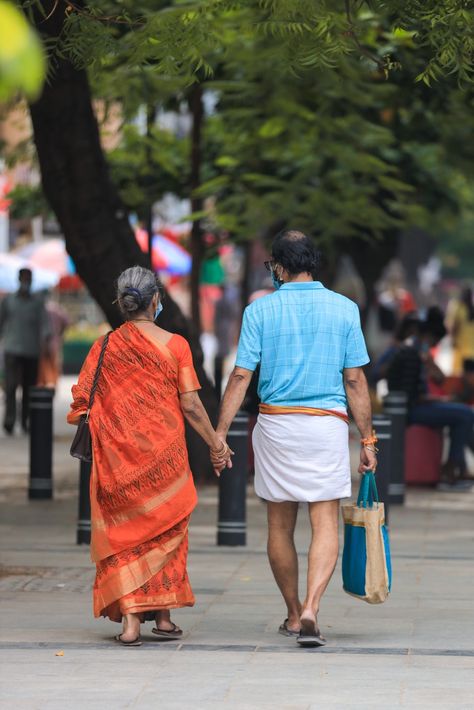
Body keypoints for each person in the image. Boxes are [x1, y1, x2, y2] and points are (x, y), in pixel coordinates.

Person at [214, 230, 376, 648]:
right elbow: (355, 380)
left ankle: (290, 612)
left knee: (279, 524)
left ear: (280, 268)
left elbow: (240, 376)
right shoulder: (345, 309)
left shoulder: (260, 312)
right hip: (326, 426)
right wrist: (369, 440)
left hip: (277, 426)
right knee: (324, 521)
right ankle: (312, 608)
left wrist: (218, 433)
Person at [68, 266, 231, 646]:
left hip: (117, 464)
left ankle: (131, 623)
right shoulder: (176, 346)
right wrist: (215, 444)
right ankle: (163, 616)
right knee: (167, 533)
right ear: (155, 300)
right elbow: (191, 405)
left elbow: (81, 403)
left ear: (122, 305)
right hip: (165, 462)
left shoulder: (104, 347)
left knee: (125, 538)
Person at [386, 309, 474, 488]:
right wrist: (439, 400)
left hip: (411, 407)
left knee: (464, 415)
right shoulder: (411, 354)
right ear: (427, 336)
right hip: (411, 412)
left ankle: (457, 466)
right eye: (434, 341)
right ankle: (451, 468)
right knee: (465, 415)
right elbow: (413, 397)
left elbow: (438, 381)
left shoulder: (415, 352)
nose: (434, 345)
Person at [0, 268, 51, 434]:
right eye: (24, 278)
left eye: (29, 279)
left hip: (31, 351)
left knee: (29, 389)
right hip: (12, 349)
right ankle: (9, 421)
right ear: (19, 279)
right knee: (11, 386)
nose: (26, 282)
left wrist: (46, 340)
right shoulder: (9, 301)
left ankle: (25, 421)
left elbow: (45, 324)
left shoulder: (37, 303)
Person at [446, 287, 474, 376]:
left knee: (460, 376)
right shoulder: (471, 308)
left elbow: (454, 326)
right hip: (471, 351)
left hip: (461, 350)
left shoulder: (458, 307)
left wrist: (452, 339)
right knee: (470, 376)